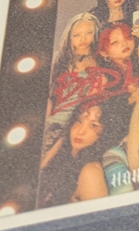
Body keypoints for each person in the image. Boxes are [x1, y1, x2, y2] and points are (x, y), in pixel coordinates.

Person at [44, 12, 102, 151]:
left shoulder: (100, 59)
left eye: (89, 33)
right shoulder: (60, 59)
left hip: (81, 123)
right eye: (76, 35)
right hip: (56, 120)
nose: (83, 39)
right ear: (69, 37)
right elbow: (48, 95)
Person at [38, 102, 110, 208]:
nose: (81, 131)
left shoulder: (91, 170)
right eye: (79, 122)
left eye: (93, 125)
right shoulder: (63, 158)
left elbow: (100, 216)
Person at [97, 22, 139, 141]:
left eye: (127, 37)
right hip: (118, 132)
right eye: (115, 42)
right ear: (104, 52)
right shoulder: (104, 76)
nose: (124, 44)